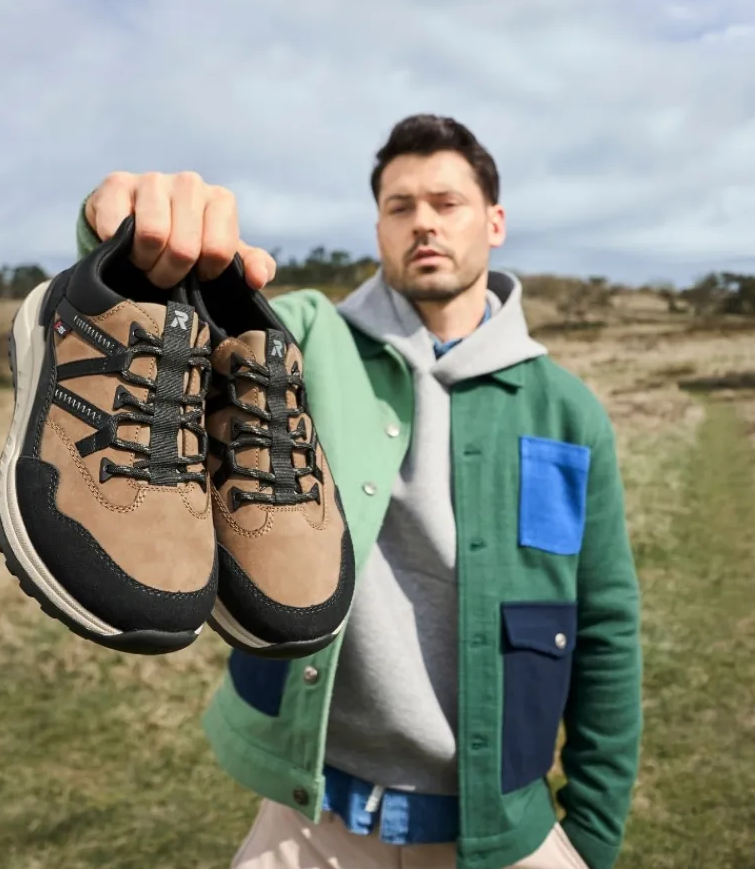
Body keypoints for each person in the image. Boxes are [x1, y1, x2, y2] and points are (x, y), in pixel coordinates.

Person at [76, 114, 643, 869]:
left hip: (505, 825)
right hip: (310, 822)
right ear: (378, 228)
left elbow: (606, 625)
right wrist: (134, 247)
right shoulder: (304, 340)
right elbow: (184, 333)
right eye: (400, 206)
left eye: (447, 203)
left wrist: (593, 833)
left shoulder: (566, 410)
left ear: (495, 222)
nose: (423, 223)